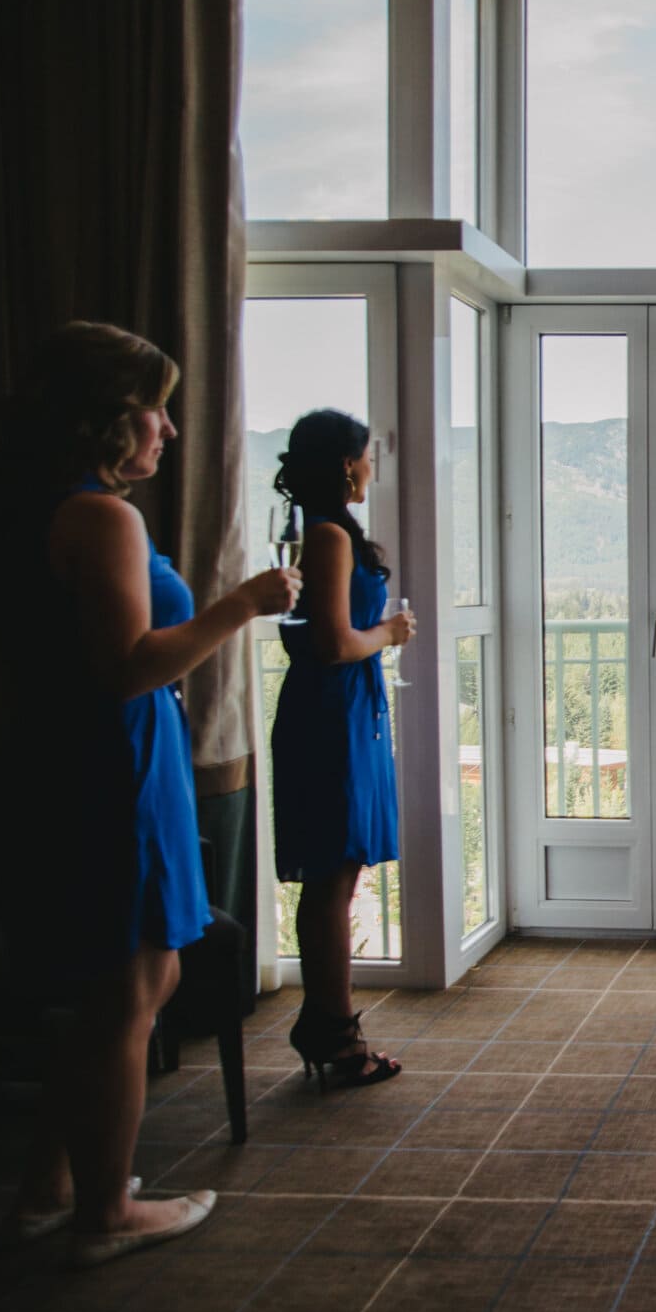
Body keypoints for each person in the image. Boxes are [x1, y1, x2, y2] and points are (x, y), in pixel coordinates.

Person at [0, 321, 298, 1265]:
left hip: (82, 755)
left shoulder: (30, 507)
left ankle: (50, 1183)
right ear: (107, 418)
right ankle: (105, 1214)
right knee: (131, 986)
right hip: (114, 760)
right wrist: (242, 605)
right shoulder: (103, 520)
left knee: (131, 981)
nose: (168, 427)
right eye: (156, 409)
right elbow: (126, 666)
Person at [271, 410, 412, 1089]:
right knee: (333, 877)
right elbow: (331, 643)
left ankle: (325, 1023)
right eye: (366, 456)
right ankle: (332, 1030)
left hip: (343, 711)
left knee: (337, 875)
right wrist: (389, 632)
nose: (371, 467)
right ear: (346, 465)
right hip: (332, 716)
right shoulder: (328, 535)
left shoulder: (321, 530)